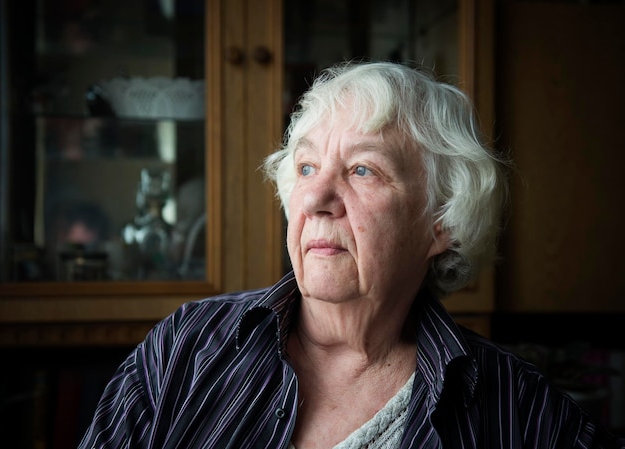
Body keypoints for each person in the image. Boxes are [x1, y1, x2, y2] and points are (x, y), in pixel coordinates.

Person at [78, 61, 625, 448]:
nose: (314, 199)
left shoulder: (516, 409)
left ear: (442, 221)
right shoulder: (187, 347)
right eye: (307, 168)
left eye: (363, 169)